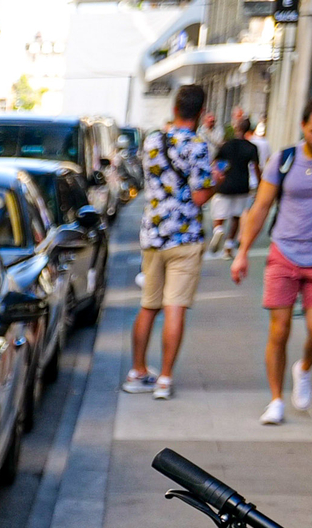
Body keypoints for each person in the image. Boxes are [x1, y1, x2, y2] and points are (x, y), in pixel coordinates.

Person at [231, 94, 312, 425]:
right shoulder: (283, 160)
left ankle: (303, 368)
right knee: (280, 330)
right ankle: (276, 400)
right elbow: (261, 207)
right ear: (303, 126)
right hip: (284, 254)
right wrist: (243, 253)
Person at [124, 83, 216, 402]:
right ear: (201, 113)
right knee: (174, 306)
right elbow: (201, 196)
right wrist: (215, 181)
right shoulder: (198, 147)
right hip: (185, 237)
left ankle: (136, 371)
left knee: (148, 305)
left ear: (175, 109)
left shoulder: (152, 140)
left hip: (152, 235)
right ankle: (164, 378)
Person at [209, 115, 258, 255]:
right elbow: (255, 167)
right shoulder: (251, 147)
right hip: (242, 185)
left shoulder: (226, 145)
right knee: (236, 216)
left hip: (224, 185)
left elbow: (215, 163)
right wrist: (259, 185)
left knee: (219, 213)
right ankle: (229, 246)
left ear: (236, 127)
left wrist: (217, 177)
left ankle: (218, 230)